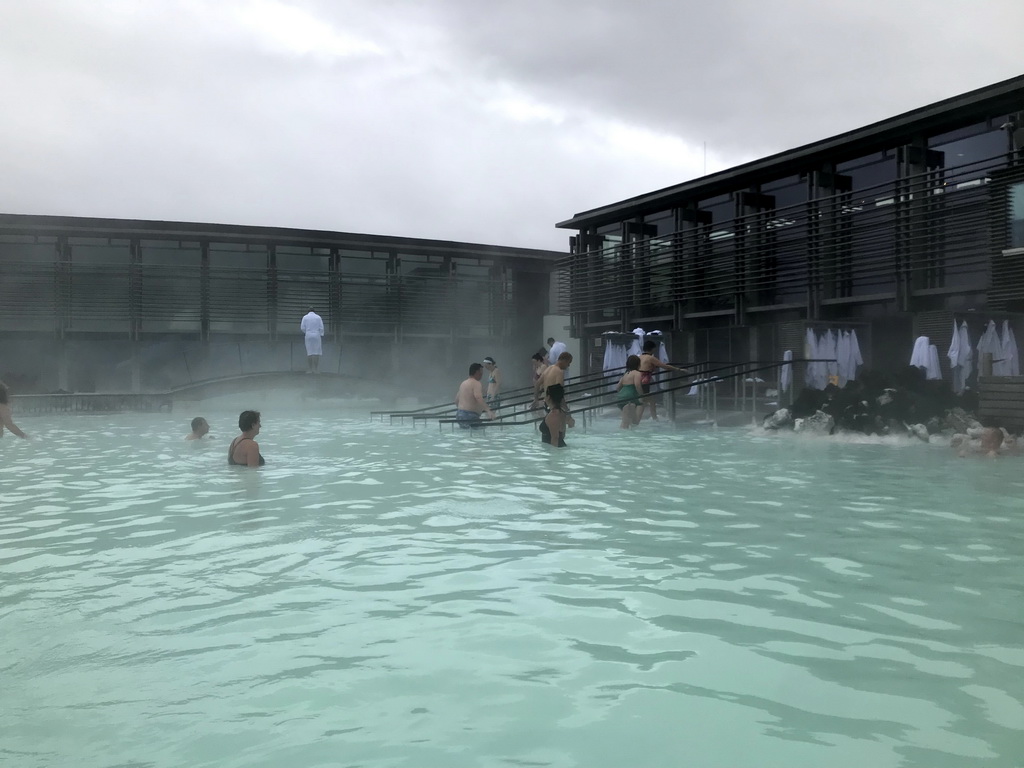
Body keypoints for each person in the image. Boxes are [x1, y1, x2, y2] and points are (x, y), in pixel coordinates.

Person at [637, 340, 687, 421]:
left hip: (637, 379)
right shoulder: (650, 358)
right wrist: (679, 369)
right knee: (643, 401)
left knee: (650, 400)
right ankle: (637, 421)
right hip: (644, 381)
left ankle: (654, 418)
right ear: (652, 349)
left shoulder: (639, 357)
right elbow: (665, 366)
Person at [455, 363, 495, 428]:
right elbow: (478, 397)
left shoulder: (463, 383)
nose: (482, 374)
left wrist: (462, 411)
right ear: (477, 372)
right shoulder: (476, 383)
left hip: (459, 415)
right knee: (481, 433)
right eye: (481, 371)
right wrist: (488, 410)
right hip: (470, 416)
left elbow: (456, 400)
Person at [540, 383, 574, 447]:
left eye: (545, 395)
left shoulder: (554, 415)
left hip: (554, 449)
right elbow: (563, 435)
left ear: (549, 397)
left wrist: (554, 455)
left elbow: (555, 438)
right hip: (559, 448)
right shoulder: (561, 412)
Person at [615, 355, 645, 429]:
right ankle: (622, 438)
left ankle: (632, 437)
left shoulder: (625, 374)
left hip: (622, 397)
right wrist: (641, 395)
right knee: (626, 423)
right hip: (630, 397)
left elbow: (618, 387)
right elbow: (637, 385)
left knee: (633, 421)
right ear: (638, 364)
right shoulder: (637, 373)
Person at [300, 308, 325, 373]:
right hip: (316, 334)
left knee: (309, 352)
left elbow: (302, 328)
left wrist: (307, 332)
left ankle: (310, 369)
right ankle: (316, 369)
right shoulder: (318, 317)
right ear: (314, 311)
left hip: (308, 334)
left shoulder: (305, 317)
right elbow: (321, 328)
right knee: (316, 352)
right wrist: (320, 334)